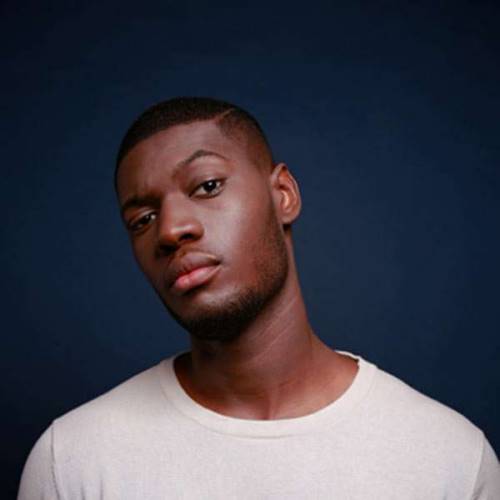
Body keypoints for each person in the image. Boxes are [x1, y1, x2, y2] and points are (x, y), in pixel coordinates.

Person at [18, 97, 500, 499]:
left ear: (283, 194)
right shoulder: (73, 461)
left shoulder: (449, 457)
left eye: (207, 186)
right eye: (142, 220)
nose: (170, 230)